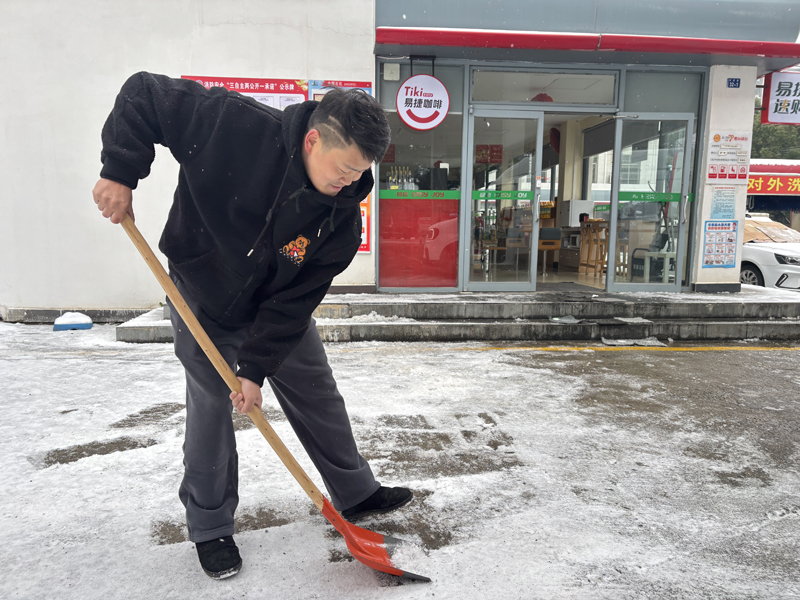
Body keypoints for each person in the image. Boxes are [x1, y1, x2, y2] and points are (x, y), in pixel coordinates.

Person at [92, 72, 412, 580]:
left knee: (317, 390)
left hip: (272, 307)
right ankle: (211, 526)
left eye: (361, 173)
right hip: (201, 293)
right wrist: (120, 171)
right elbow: (143, 94)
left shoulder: (341, 220)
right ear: (313, 139)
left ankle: (356, 493)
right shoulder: (232, 125)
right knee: (211, 408)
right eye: (345, 168)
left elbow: (294, 304)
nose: (351, 182)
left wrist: (256, 369)